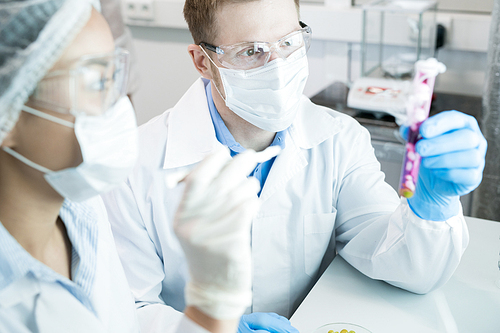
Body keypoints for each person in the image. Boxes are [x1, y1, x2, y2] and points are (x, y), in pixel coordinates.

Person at [101, 0, 487, 332]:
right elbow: (125, 310)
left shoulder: (338, 138)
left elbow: (407, 268)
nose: (278, 65)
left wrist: (431, 205)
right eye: (251, 51)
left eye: (289, 42)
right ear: (203, 61)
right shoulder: (135, 167)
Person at [0, 1, 268, 332]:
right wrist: (213, 307)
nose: (120, 105)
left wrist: (211, 308)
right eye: (97, 82)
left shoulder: (83, 208)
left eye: (116, 76)